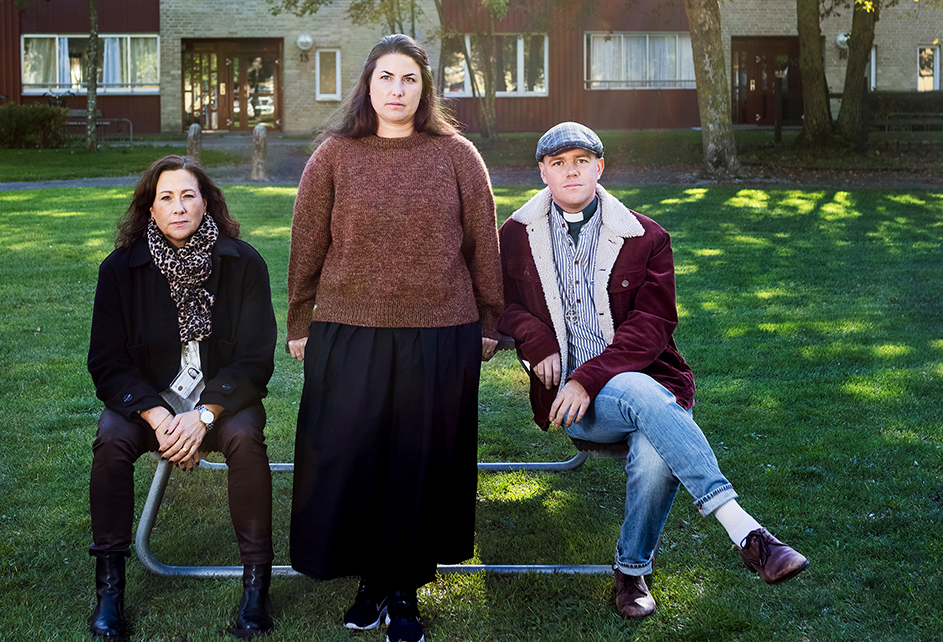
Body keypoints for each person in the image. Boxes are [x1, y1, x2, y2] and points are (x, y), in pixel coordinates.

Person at [498, 122, 809, 618]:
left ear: (600, 167)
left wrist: (588, 377)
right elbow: (499, 303)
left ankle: (632, 570)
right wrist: (535, 339)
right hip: (575, 404)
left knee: (654, 452)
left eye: (581, 161)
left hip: (645, 385)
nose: (571, 171)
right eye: (558, 163)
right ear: (543, 173)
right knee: (641, 401)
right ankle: (746, 532)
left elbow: (653, 326)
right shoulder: (515, 236)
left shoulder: (645, 237)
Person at [285, 34, 503, 642]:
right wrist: (299, 319)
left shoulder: (457, 155)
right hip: (350, 329)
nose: (397, 89)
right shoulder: (334, 155)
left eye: (409, 78)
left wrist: (490, 320)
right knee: (351, 458)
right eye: (386, 77)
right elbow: (307, 243)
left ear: (424, 88)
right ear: (368, 85)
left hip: (439, 331)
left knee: (419, 462)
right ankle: (370, 578)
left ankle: (404, 587)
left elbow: (482, 244)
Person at [86, 155, 277, 639]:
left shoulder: (244, 263)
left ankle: (257, 587)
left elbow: (255, 359)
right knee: (111, 439)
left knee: (246, 438)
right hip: (149, 405)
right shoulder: (120, 270)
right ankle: (109, 591)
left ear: (206, 203)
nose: (178, 207)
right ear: (149, 208)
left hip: (221, 403)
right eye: (166, 197)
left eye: (188, 195)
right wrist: (160, 418)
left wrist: (202, 417)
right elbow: (108, 363)